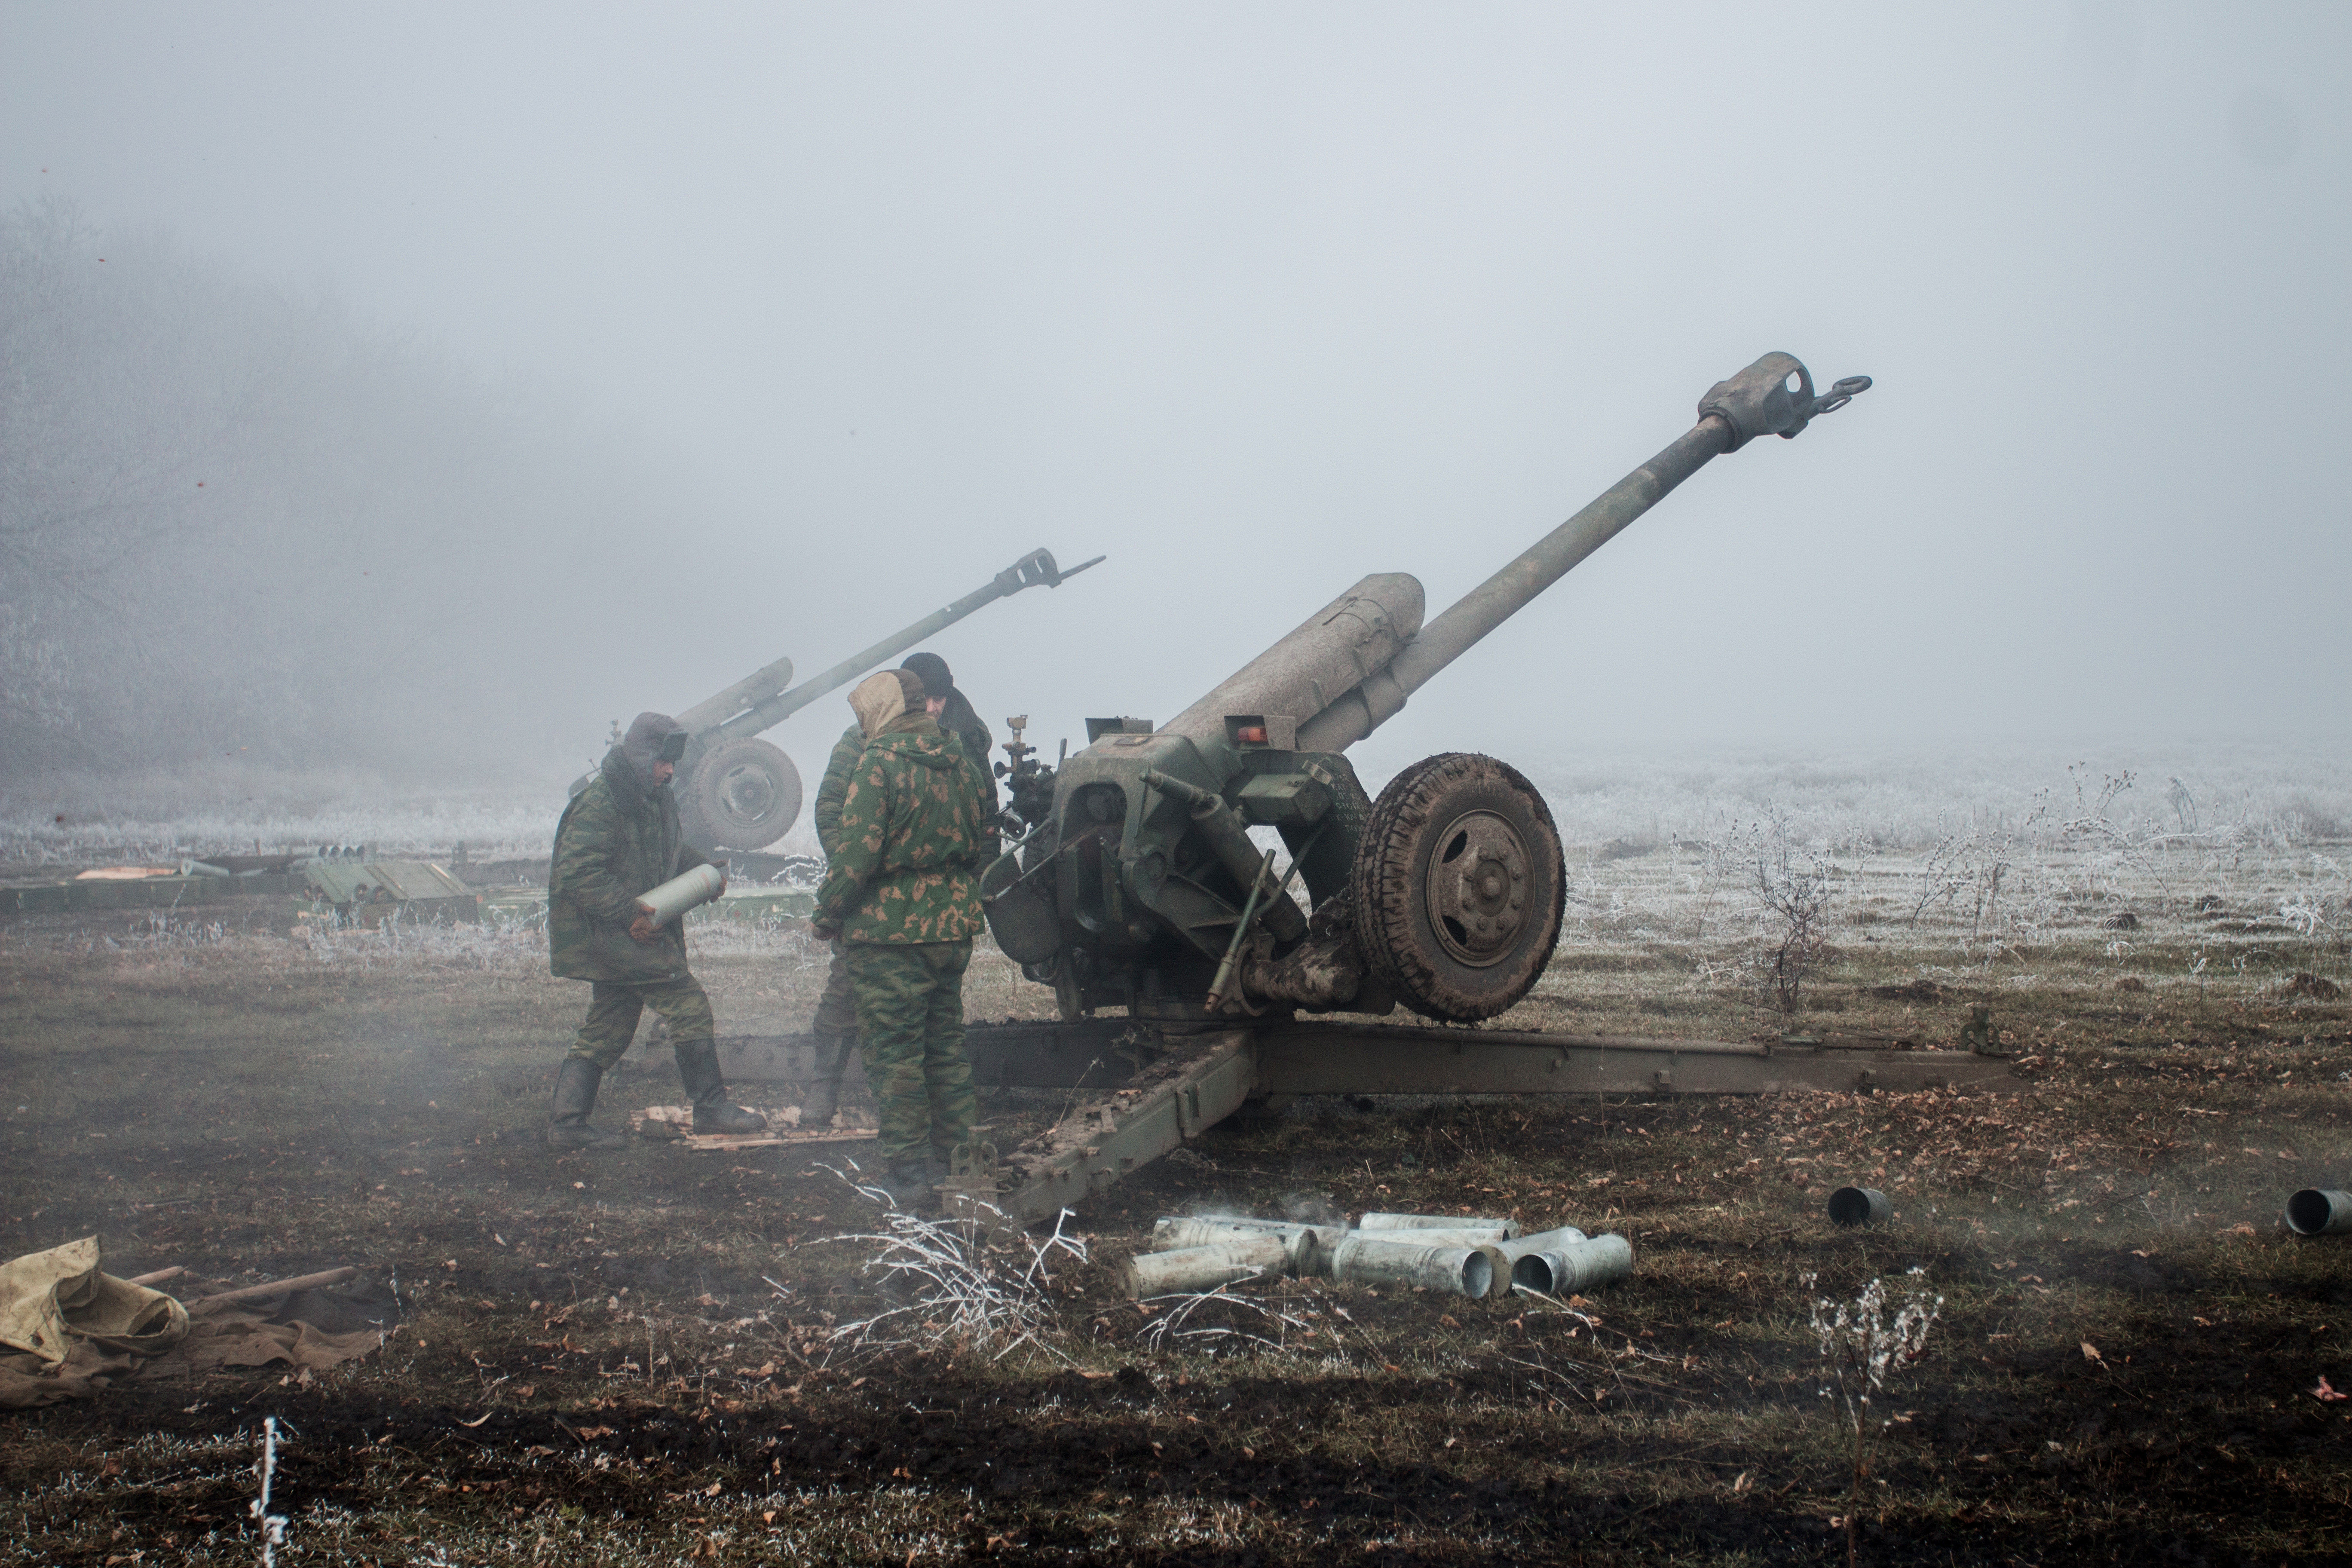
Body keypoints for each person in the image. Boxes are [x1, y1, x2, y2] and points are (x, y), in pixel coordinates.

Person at [810, 669, 994, 1208]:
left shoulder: (878, 763)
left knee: (896, 1056)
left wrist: (827, 913)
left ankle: (911, 1174)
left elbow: (857, 854)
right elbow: (980, 833)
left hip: (889, 935)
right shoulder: (959, 758)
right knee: (944, 1049)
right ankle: (961, 1160)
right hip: (951, 930)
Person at [546, 711, 768, 1149]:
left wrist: (701, 870)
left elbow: (667, 850)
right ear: (643, 756)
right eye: (664, 763)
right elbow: (577, 872)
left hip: (632, 931)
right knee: (688, 1004)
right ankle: (710, 1108)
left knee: (609, 1025)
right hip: (617, 933)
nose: (670, 772)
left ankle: (567, 1126)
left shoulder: (651, 795)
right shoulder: (602, 802)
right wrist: (628, 912)